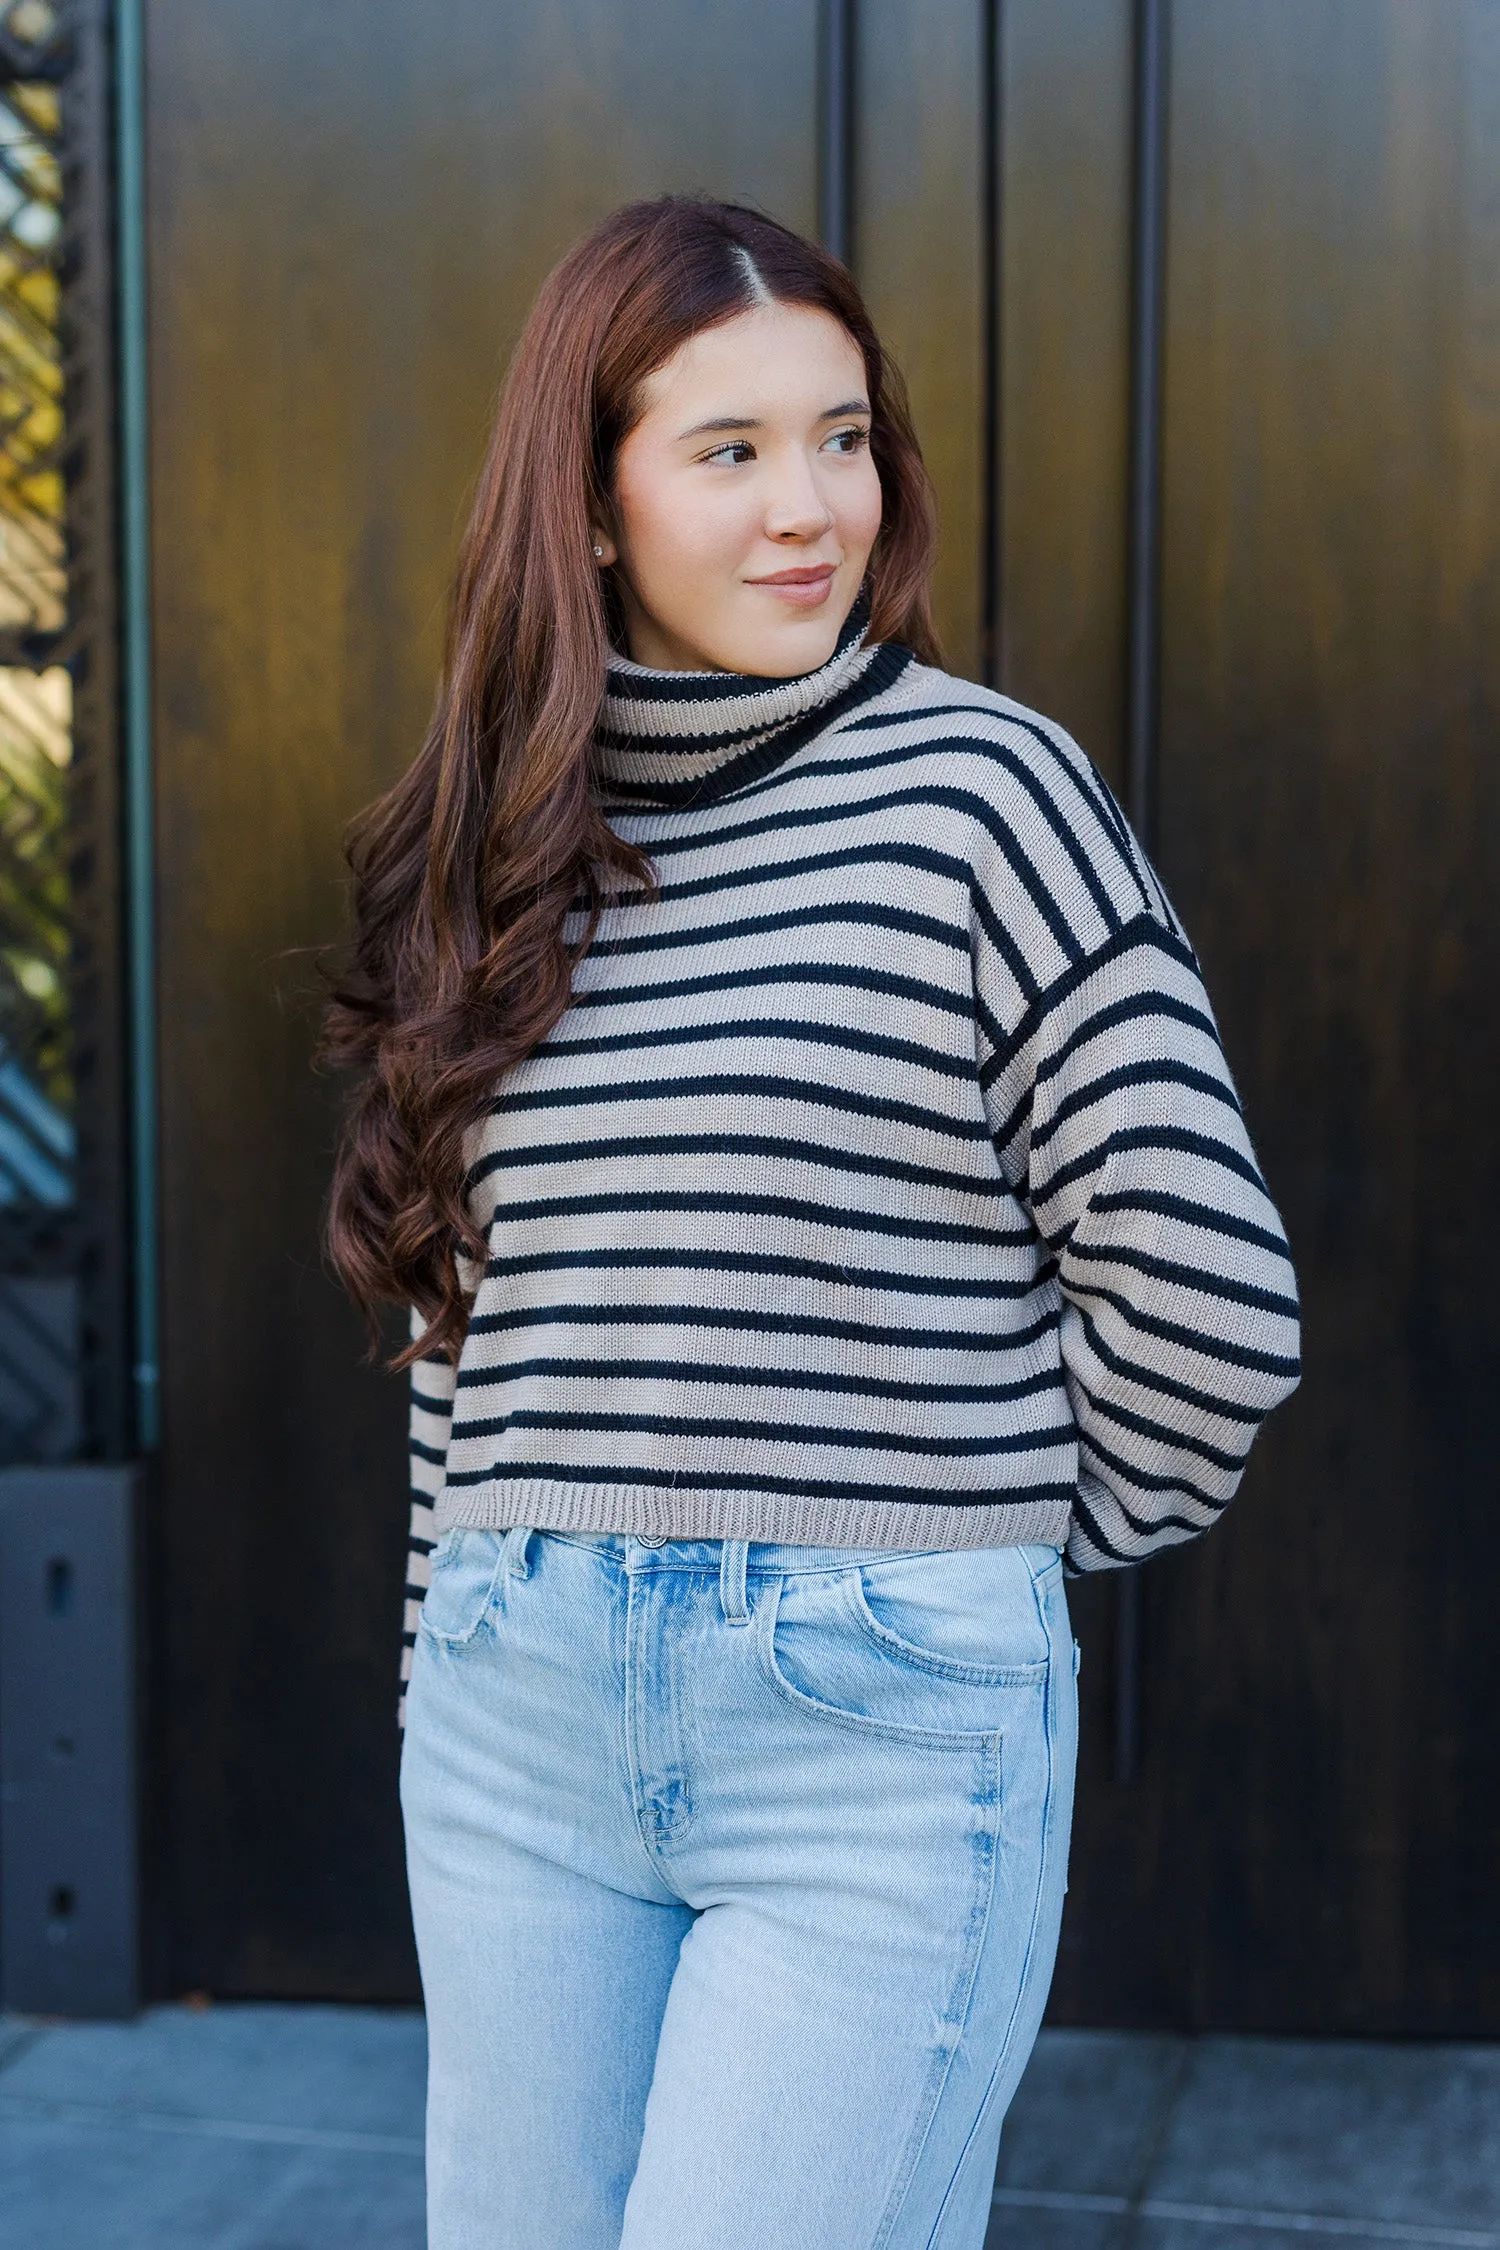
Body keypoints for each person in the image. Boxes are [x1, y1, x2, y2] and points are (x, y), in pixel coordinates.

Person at [323, 196, 1300, 2250]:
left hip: (872, 1727)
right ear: (587, 508)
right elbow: (460, 1330)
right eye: (732, 449)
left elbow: (1206, 1301)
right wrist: (446, 1667)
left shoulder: (982, 799)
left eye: (844, 438)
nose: (813, 509)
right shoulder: (491, 857)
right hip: (518, 1727)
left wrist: (965, 1553)